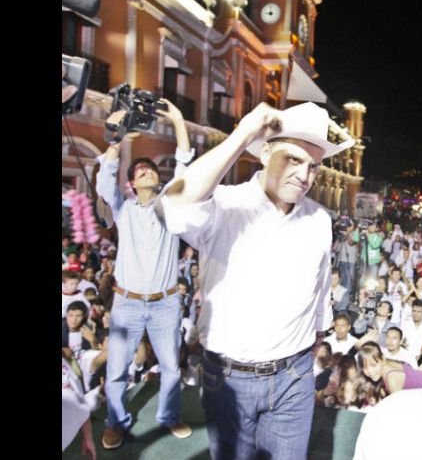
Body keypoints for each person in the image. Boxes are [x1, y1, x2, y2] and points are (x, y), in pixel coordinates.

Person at [162, 101, 353, 460]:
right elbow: (177, 205)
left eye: (313, 166)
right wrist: (244, 132)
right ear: (264, 153)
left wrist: (316, 337)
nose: (305, 174)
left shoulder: (319, 221)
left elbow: (320, 288)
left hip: (294, 376)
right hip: (230, 379)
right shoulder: (225, 205)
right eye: (293, 159)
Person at [95, 99, 194, 449]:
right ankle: (115, 421)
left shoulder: (171, 204)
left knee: (171, 368)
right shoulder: (123, 210)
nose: (147, 172)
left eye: (151, 169)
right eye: (139, 171)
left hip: (167, 304)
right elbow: (106, 182)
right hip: (127, 304)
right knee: (117, 369)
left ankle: (169, 416)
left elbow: (184, 164)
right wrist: (116, 137)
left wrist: (179, 119)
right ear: (132, 185)